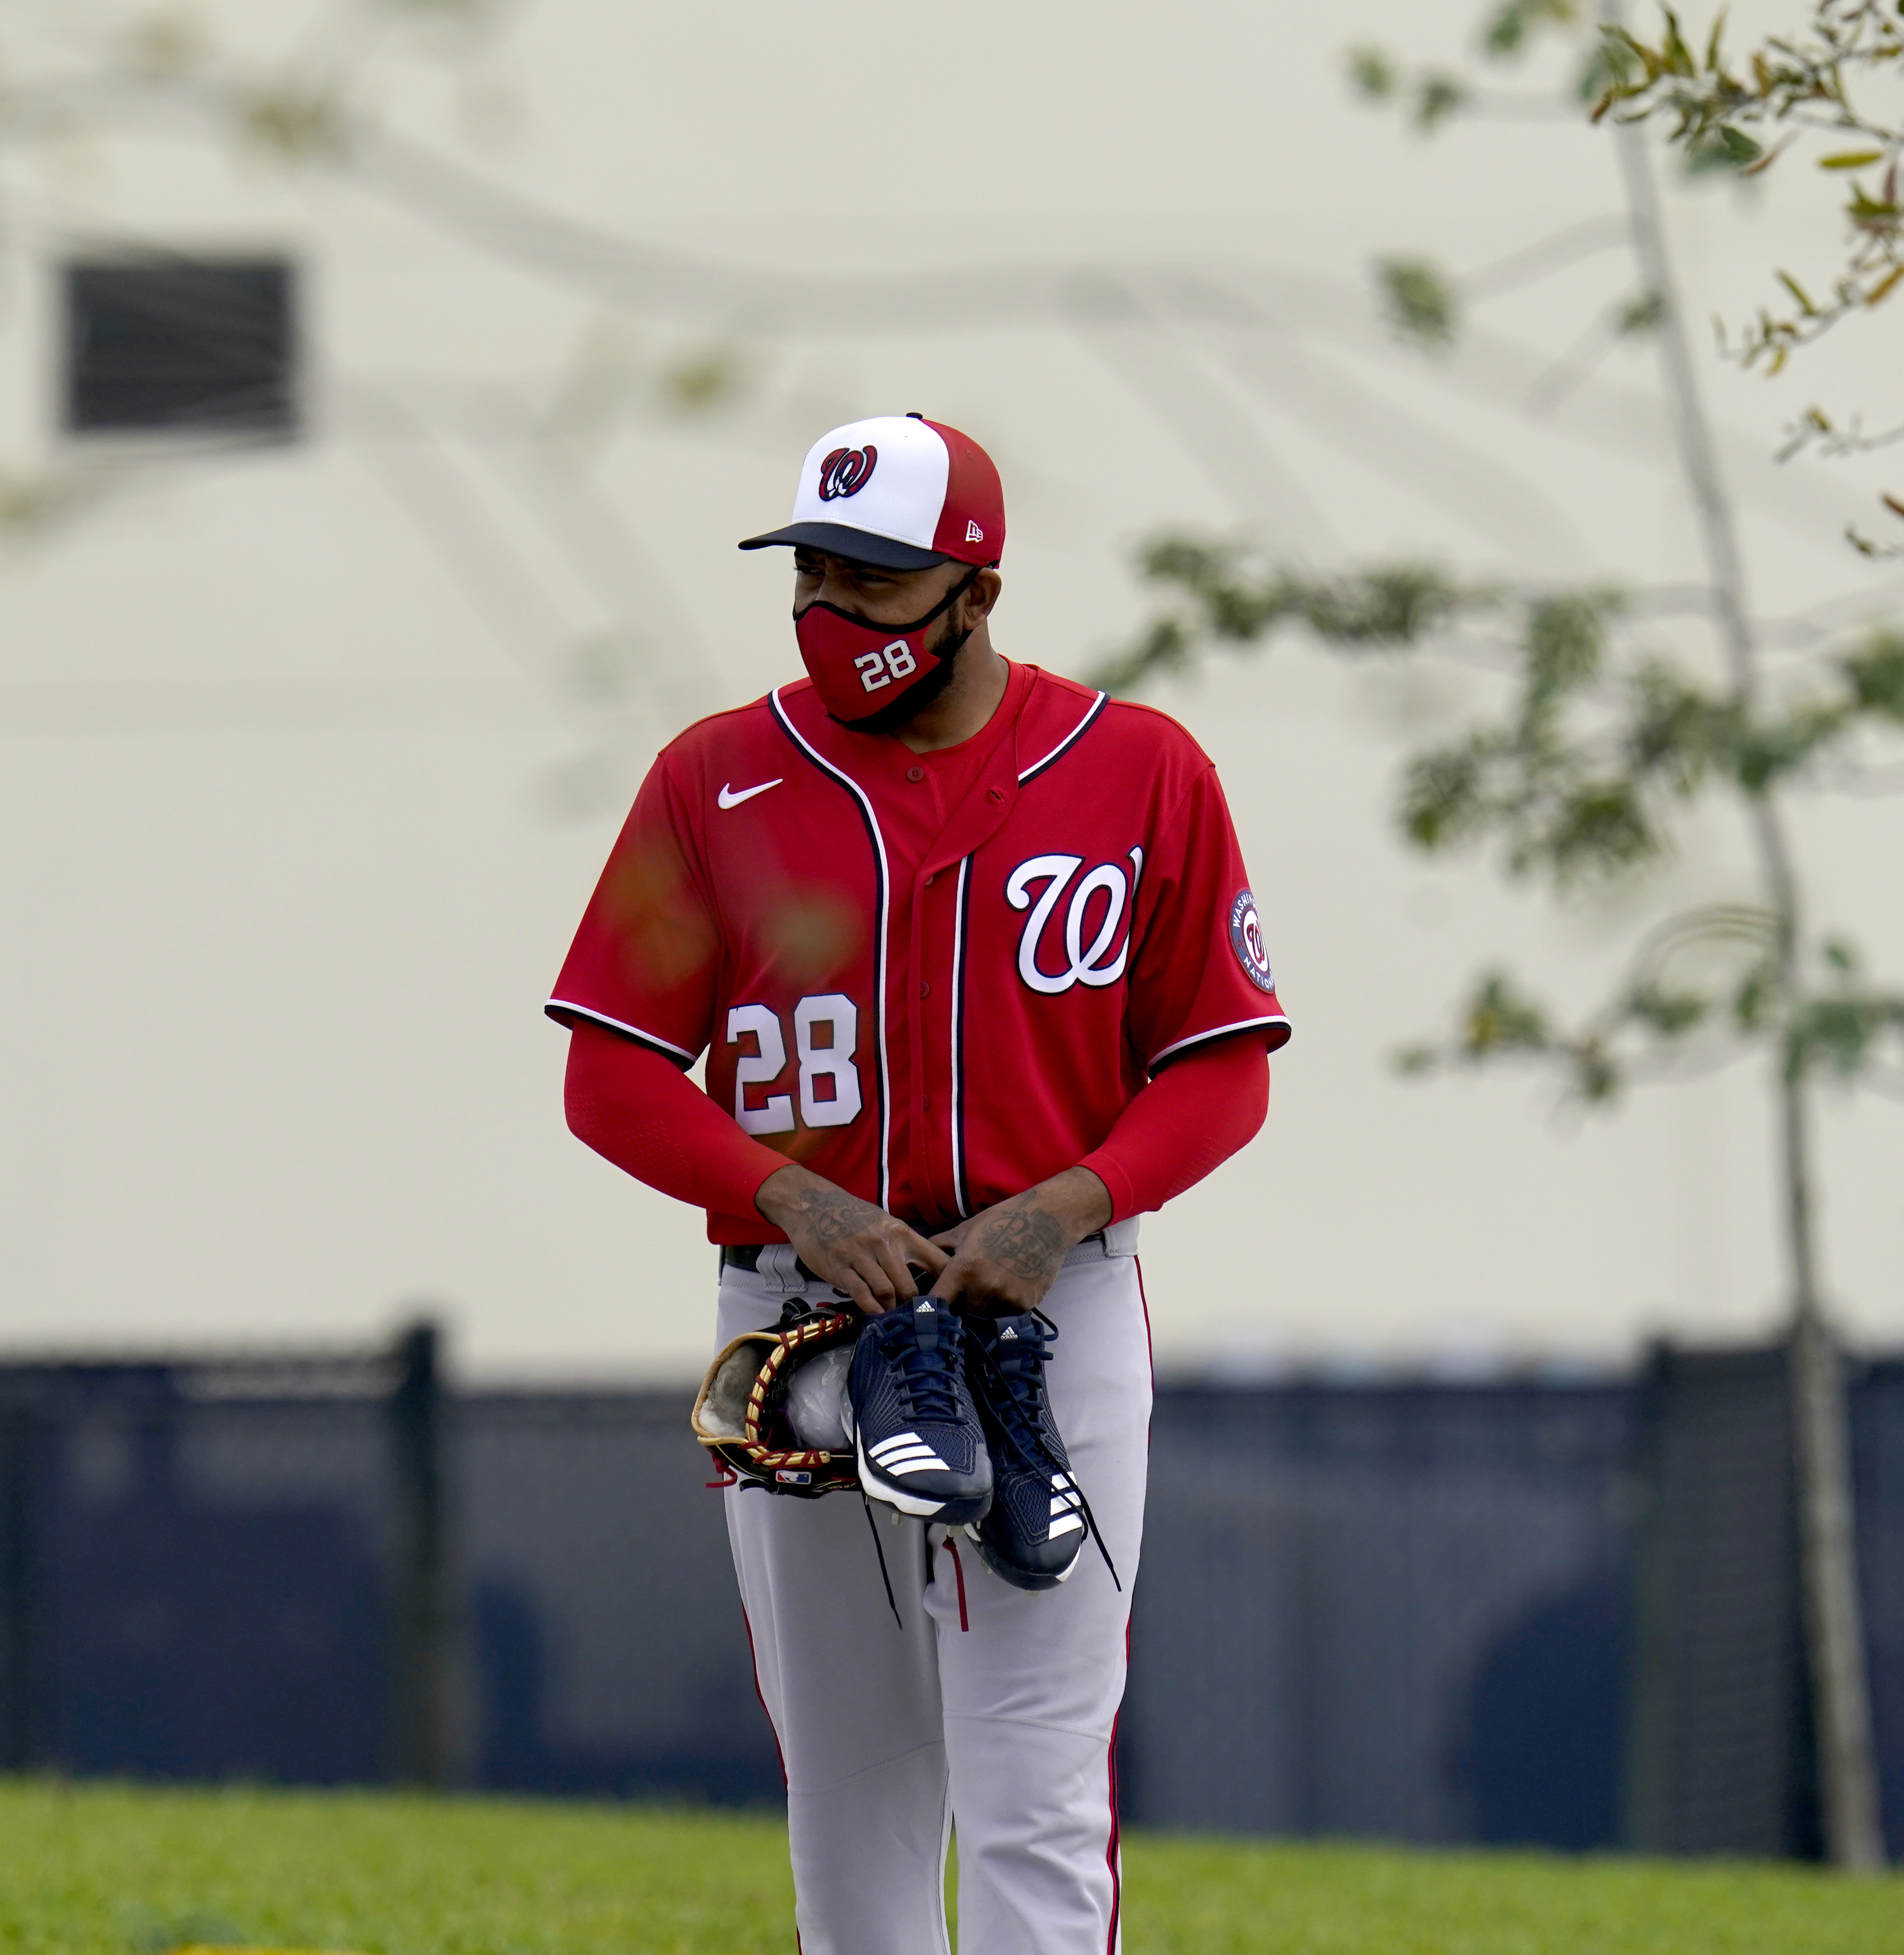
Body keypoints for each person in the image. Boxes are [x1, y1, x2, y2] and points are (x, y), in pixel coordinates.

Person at [547, 413, 1284, 1955]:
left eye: (872, 579)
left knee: (1038, 1797)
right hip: (810, 1324)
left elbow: (1223, 1070)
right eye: (811, 571)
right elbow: (610, 1077)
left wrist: (1067, 1205)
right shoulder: (716, 779)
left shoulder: (1138, 771)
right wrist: (796, 1199)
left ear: (977, 590)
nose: (831, 610)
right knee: (854, 1803)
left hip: (1052, 1318)